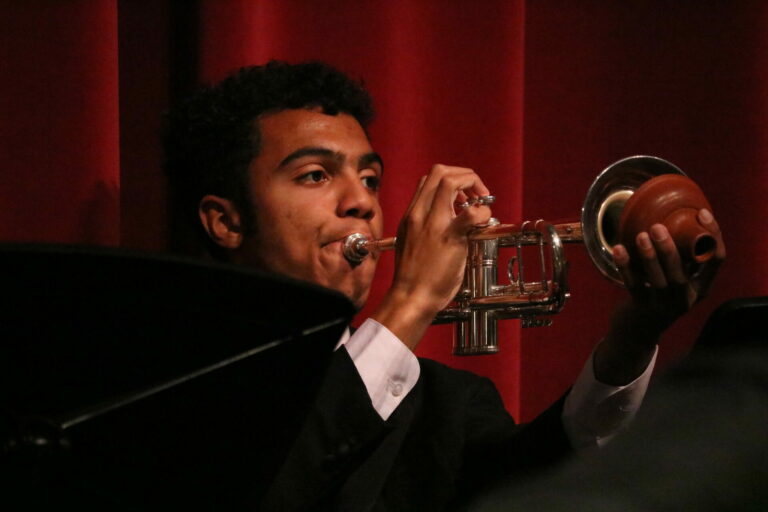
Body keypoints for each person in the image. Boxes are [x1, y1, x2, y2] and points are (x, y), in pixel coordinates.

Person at [163, 60, 725, 510]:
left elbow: (548, 489)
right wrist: (410, 302)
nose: (362, 202)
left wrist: (633, 340)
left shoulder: (449, 405)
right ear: (226, 221)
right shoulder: (173, 382)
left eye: (370, 178)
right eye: (315, 174)